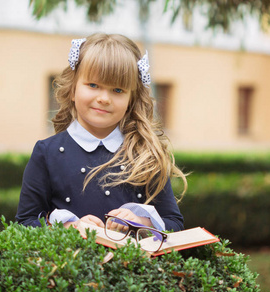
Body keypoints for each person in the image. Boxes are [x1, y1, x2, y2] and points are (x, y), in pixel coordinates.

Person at [16, 33, 187, 232]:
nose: (104, 98)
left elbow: (174, 223)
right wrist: (70, 226)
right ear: (72, 90)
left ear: (131, 99)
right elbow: (25, 222)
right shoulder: (46, 153)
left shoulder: (147, 154)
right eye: (93, 85)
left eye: (117, 90)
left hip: (132, 263)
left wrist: (140, 222)